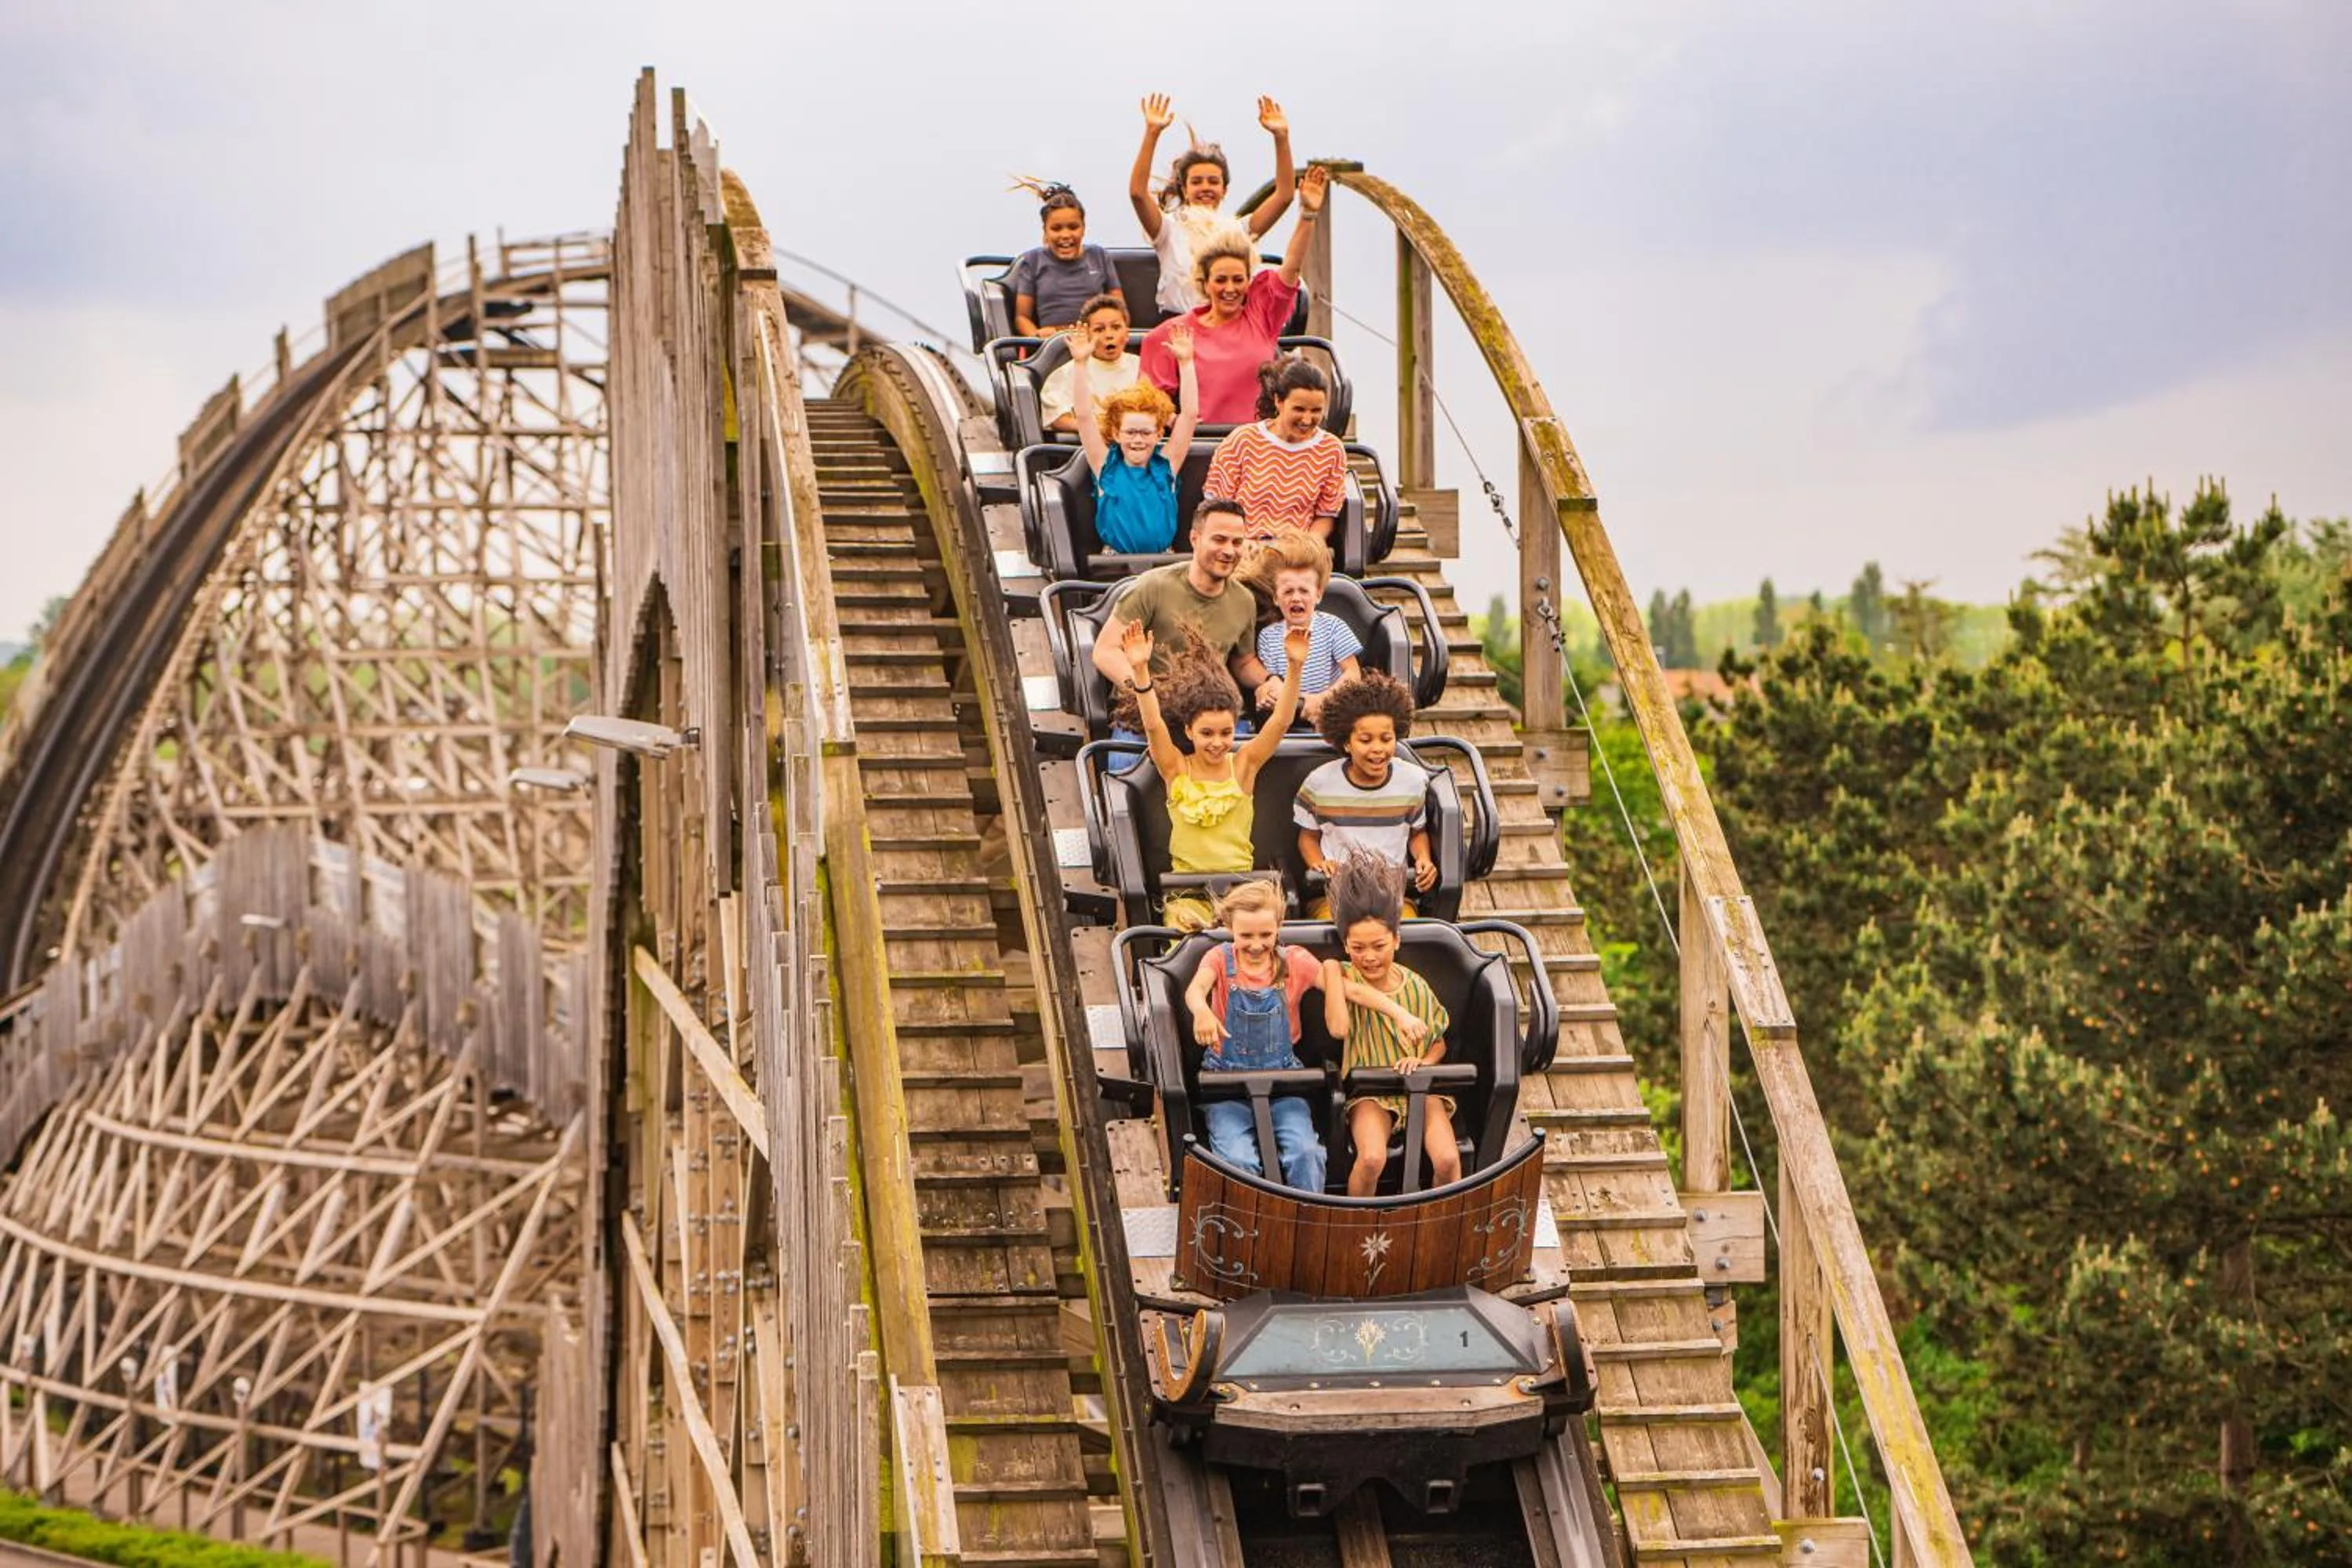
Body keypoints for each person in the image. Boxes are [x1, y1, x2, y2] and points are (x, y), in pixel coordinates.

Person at [1119, 617, 1309, 930]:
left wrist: (1295, 667)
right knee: (1187, 931)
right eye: (1207, 733)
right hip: (1189, 891)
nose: (1217, 743)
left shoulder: (1244, 765)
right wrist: (1140, 670)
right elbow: (1153, 725)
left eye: (1226, 733)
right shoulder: (1176, 768)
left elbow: (1280, 722)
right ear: (1189, 731)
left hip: (1241, 889)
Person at [1138, 166, 1328, 425]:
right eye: (1220, 280)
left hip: (1257, 439)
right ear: (1205, 284)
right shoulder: (1173, 333)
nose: (1230, 289)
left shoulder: (1260, 316)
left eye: (1238, 280)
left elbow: (1291, 268)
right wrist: (1174, 420)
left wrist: (1308, 215)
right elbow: (1149, 400)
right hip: (1202, 441)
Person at [1181, 880, 1331, 1192]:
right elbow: (1196, 989)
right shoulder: (1219, 958)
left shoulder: (1295, 961)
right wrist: (1202, 1012)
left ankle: (1307, 1213)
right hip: (1227, 1081)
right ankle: (1247, 1218)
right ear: (1229, 929)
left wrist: (1398, 1012)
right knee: (1239, 1162)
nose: (1256, 944)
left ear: (1279, 927)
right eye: (1245, 936)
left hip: (1283, 1079)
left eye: (1265, 935)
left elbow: (1346, 989)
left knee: (1306, 1153)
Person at [1327, 855, 1460, 1196]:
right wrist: (1332, 970)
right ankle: (1357, 1222)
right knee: (1372, 1158)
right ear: (1345, 946)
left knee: (1447, 1159)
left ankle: (1441, 1220)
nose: (1369, 957)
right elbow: (1343, 1011)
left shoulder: (1416, 986)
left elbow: (1438, 1041)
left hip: (1418, 1087)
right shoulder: (1344, 975)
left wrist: (1423, 1063)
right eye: (1358, 948)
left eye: (1379, 946)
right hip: (1370, 1092)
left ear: (1396, 940)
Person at [1128, 94, 1295, 317]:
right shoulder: (1168, 228)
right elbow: (1138, 194)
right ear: (1185, 189)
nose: (1205, 188)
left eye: (1213, 182)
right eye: (1197, 182)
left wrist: (1281, 137)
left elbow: (1284, 196)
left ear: (1224, 190)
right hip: (1180, 323)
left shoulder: (1237, 231)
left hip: (1226, 322)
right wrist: (1152, 133)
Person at [1091, 501, 1269, 704]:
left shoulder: (1244, 601)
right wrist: (1146, 693)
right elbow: (1105, 651)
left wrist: (1269, 681)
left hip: (1208, 711)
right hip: (1144, 708)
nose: (1229, 551)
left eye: (1237, 543)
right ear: (1195, 539)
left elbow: (1243, 663)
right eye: (1219, 540)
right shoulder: (1152, 587)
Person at [1295, 675, 1436, 916]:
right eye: (1365, 740)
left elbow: (1417, 833)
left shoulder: (1413, 781)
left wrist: (1424, 858)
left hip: (1392, 895)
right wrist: (1318, 863)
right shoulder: (1319, 784)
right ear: (1347, 743)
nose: (1378, 749)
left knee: (1408, 929)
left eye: (1386, 739)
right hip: (1336, 895)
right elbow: (1307, 838)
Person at [1068, 320, 1196, 555]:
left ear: (1159, 434)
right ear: (1116, 434)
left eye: (1146, 433)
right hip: (1116, 561)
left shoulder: (1167, 465)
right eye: (1130, 432)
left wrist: (1186, 363)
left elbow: (1188, 416)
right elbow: (1084, 416)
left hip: (1162, 561)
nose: (1138, 440)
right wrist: (1080, 363)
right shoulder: (1105, 465)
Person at [1205, 354, 1348, 543]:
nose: (1307, 420)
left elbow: (1326, 514)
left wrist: (1305, 544)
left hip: (1296, 549)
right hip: (1243, 545)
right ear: (1279, 401)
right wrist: (1242, 543)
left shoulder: (1331, 450)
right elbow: (1217, 507)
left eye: (1316, 411)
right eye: (1299, 409)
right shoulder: (1243, 440)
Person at [1238, 531, 1361, 722]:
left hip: (1330, 713)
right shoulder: (1268, 636)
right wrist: (1270, 693)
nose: (1296, 598)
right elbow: (1275, 680)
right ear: (1276, 598)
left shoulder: (1333, 627)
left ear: (1318, 595)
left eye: (1304, 591)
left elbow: (1353, 674)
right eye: (1288, 592)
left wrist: (1322, 699)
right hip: (1288, 714)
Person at [1007, 182, 1123, 339]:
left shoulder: (1099, 256)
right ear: (1045, 231)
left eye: (1073, 227)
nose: (1066, 235)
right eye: (1056, 229)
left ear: (1083, 228)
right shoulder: (1033, 261)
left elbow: (1120, 311)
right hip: (1054, 344)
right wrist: (1037, 335)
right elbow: (1022, 318)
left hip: (1095, 341)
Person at [1040, 293, 1141, 434]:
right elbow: (1057, 418)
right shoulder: (1069, 371)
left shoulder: (1141, 366)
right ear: (1087, 334)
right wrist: (1090, 428)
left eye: (1116, 327)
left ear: (1127, 334)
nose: (1109, 335)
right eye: (1099, 329)